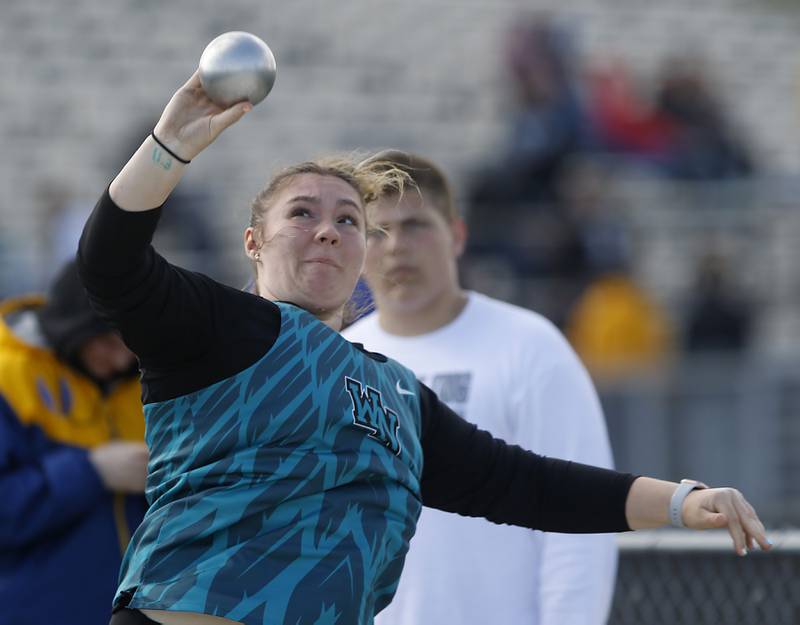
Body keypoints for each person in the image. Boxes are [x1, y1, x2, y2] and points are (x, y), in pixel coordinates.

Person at [77, 70, 770, 625]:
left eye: (348, 219)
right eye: (303, 213)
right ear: (253, 244)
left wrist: (680, 501)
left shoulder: (399, 393)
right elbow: (109, 263)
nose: (327, 229)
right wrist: (169, 145)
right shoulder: (217, 325)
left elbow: (525, 483)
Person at [342, 150, 618, 625]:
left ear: (457, 234)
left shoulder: (530, 347)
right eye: (377, 232)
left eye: (416, 226)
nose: (396, 247)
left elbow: (581, 520)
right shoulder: (340, 360)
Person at [0, 259, 148, 625]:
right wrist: (91, 471)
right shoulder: (9, 378)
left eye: (132, 345)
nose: (120, 360)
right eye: (107, 342)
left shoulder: (148, 380)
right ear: (73, 327)